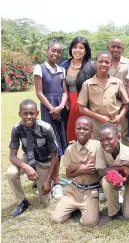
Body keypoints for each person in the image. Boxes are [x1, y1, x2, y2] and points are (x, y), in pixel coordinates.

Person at [7, 99, 59, 216]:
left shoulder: (46, 128)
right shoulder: (16, 129)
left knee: (43, 201)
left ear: (37, 113)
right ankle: (22, 201)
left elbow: (55, 156)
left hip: (44, 161)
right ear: (19, 114)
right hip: (28, 158)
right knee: (11, 172)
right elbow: (12, 156)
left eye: (32, 113)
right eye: (25, 113)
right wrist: (27, 167)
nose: (29, 116)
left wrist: (48, 180)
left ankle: (45, 183)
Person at [51, 116, 101, 226]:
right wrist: (83, 168)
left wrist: (77, 166)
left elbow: (93, 168)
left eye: (85, 129)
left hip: (90, 191)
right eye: (78, 128)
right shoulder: (70, 149)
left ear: (91, 131)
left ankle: (84, 209)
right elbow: (69, 174)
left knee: (89, 222)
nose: (81, 131)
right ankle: (74, 208)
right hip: (74, 191)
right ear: (75, 129)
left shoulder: (98, 146)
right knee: (56, 218)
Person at [34, 40, 68, 198]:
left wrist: (60, 106)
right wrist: (51, 108)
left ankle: (57, 180)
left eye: (59, 52)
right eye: (53, 50)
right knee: (50, 145)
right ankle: (49, 179)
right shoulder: (39, 69)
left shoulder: (61, 69)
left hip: (59, 109)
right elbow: (39, 93)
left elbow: (65, 92)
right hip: (48, 109)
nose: (56, 54)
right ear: (47, 51)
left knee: (59, 145)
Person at [96, 123, 129, 220]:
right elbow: (101, 171)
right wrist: (120, 168)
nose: (105, 143)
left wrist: (123, 180)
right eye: (102, 140)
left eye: (109, 139)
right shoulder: (100, 150)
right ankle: (115, 212)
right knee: (106, 180)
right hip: (117, 179)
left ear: (118, 137)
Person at [77, 51, 129, 140]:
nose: (103, 64)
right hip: (96, 126)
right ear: (95, 63)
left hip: (114, 124)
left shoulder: (117, 82)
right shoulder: (88, 84)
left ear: (111, 65)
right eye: (100, 61)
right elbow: (81, 108)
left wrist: (120, 116)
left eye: (107, 62)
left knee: (114, 150)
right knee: (97, 151)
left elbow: (126, 103)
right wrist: (99, 117)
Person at [61, 37, 96, 142]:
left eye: (81, 48)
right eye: (75, 47)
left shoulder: (91, 66)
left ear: (86, 51)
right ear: (71, 49)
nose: (77, 50)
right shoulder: (64, 65)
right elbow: (59, 85)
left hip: (83, 103)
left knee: (83, 130)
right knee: (70, 130)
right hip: (67, 103)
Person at [107, 38, 129, 148]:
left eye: (118, 47)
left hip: (125, 103)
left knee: (125, 134)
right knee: (110, 132)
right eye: (113, 46)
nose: (116, 49)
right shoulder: (104, 61)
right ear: (108, 48)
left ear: (123, 49)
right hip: (108, 103)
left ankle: (127, 160)